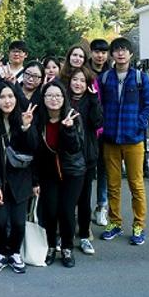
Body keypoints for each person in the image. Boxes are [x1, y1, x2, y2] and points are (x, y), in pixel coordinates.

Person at [98, 37, 149, 246]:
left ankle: (139, 225)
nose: (120, 53)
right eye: (117, 50)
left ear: (130, 54)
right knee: (113, 185)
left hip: (134, 140)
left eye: (124, 50)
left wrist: (138, 125)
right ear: (112, 54)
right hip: (111, 139)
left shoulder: (141, 78)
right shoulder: (105, 78)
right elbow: (99, 105)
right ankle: (114, 222)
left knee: (136, 185)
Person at [0, 81, 38, 274]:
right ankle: (0, 252)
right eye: (2, 97)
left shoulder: (23, 118)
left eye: (11, 96)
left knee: (18, 222)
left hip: (20, 180)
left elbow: (33, 148)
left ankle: (14, 252)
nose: (7, 101)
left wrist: (26, 127)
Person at [35, 79, 85, 268]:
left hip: (72, 172)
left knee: (66, 210)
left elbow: (75, 148)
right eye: (49, 95)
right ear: (43, 98)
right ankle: (50, 246)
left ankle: (67, 247)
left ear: (64, 98)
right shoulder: (39, 120)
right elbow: (35, 150)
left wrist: (69, 129)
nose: (54, 99)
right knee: (50, 210)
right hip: (48, 172)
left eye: (58, 95)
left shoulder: (73, 117)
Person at [67, 67, 103, 256]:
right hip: (66, 156)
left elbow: (98, 123)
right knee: (67, 198)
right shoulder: (63, 98)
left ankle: (83, 235)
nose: (78, 83)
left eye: (82, 80)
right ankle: (65, 235)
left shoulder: (91, 100)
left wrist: (95, 99)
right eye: (75, 79)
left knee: (84, 198)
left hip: (87, 156)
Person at [88, 38, 110, 226]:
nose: (100, 55)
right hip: (88, 127)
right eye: (97, 51)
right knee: (86, 170)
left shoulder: (111, 73)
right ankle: (83, 207)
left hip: (107, 127)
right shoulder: (84, 71)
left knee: (104, 169)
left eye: (103, 52)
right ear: (91, 52)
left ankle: (101, 207)